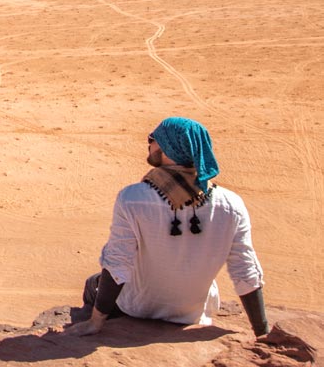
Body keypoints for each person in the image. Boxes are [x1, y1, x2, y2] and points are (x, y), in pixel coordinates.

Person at [67, 116, 269, 337]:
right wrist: (262, 332)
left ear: (166, 148)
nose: (150, 145)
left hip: (137, 308)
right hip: (192, 313)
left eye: (152, 139)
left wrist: (95, 323)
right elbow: (245, 269)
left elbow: (117, 262)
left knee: (92, 284)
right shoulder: (232, 204)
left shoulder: (133, 198)